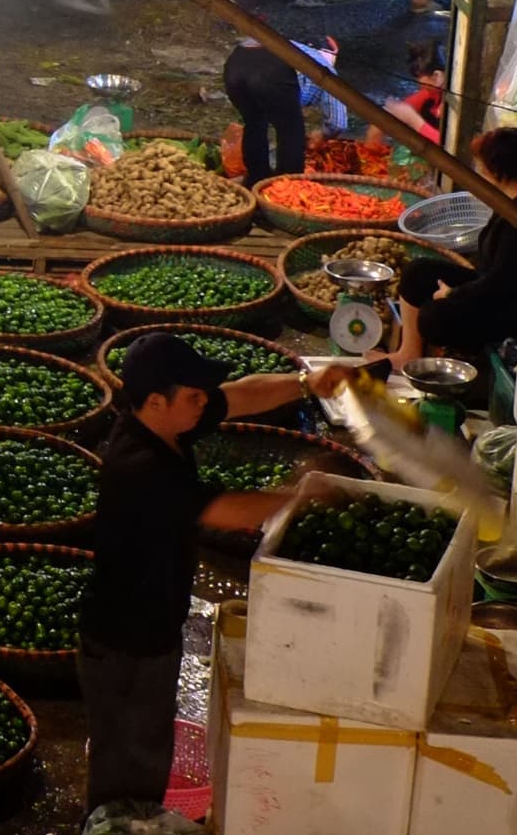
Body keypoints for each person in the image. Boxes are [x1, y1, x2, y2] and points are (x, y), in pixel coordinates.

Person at [80, 330, 336, 804]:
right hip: (127, 643)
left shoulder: (168, 424)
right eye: (193, 396)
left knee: (146, 746)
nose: (204, 403)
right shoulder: (140, 465)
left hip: (152, 625)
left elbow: (239, 396)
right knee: (130, 765)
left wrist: (307, 383)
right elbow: (227, 512)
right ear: (156, 401)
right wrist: (301, 494)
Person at [397, 128, 517, 367]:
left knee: (433, 318)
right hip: (488, 284)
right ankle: (407, 353)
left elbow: (501, 283)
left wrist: (453, 294)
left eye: (482, 167)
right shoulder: (512, 199)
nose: (479, 173)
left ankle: (469, 362)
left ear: (496, 171)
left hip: (508, 308)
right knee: (417, 272)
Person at [224, 37, 331, 183]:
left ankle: (256, 178)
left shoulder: (291, 44)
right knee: (290, 129)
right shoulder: (323, 63)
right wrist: (324, 133)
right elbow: (338, 123)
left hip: (234, 67)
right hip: (269, 71)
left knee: (254, 123)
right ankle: (288, 184)